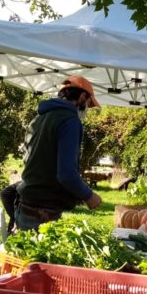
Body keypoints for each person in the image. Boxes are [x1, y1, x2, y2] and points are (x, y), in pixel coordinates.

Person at [15, 76, 102, 231]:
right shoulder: (70, 120)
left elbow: (32, 161)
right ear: (82, 97)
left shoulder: (39, 118)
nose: (87, 109)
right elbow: (66, 174)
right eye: (88, 103)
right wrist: (88, 195)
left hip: (26, 206)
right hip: (41, 214)